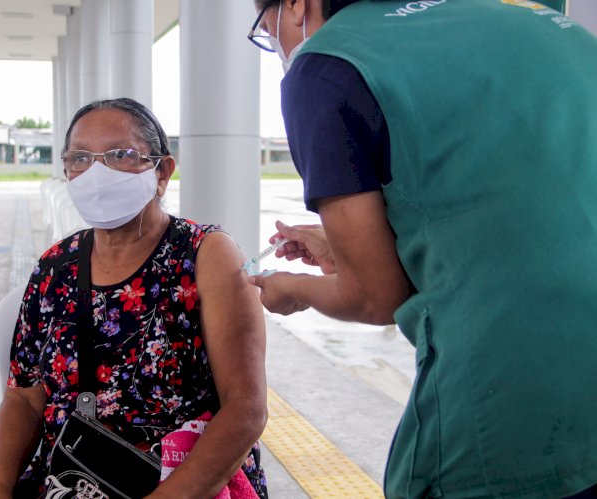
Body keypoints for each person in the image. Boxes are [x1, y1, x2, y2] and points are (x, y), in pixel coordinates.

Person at [247, 0, 597, 497]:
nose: (277, 46)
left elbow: (375, 298)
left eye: (267, 29)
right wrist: (345, 248)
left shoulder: (327, 68)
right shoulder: (546, 25)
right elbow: (512, 205)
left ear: (296, 5)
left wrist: (294, 289)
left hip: (518, 400)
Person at [0, 98, 268, 499]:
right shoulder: (54, 267)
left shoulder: (206, 255)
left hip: (182, 482)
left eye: (120, 155)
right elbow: (25, 395)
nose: (96, 173)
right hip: (72, 476)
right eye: (80, 158)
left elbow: (245, 408)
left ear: (162, 171)